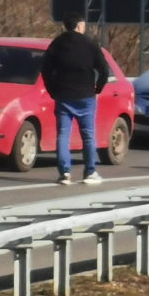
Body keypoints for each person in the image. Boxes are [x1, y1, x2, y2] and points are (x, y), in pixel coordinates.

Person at [40, 12, 111, 185]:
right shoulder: (90, 44)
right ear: (79, 26)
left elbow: (45, 69)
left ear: (64, 26)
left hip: (63, 95)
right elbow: (104, 70)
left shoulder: (57, 44)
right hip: (86, 96)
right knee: (88, 135)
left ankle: (64, 173)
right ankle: (89, 172)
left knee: (63, 135)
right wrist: (98, 89)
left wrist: (53, 90)